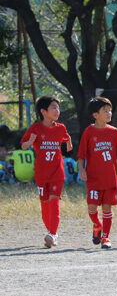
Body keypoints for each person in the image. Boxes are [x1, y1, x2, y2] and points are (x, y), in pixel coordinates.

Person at [20, 96, 72, 248]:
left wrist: (68, 143)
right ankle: (50, 231)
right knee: (45, 203)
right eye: (53, 108)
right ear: (43, 111)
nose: (57, 111)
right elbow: (23, 145)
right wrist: (29, 142)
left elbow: (67, 143)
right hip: (42, 173)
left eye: (58, 108)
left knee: (54, 200)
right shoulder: (35, 128)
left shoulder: (61, 128)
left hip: (57, 172)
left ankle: (53, 234)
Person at [78, 97, 117, 249]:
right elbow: (81, 155)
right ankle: (97, 226)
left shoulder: (114, 132)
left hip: (110, 178)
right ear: (95, 115)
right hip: (93, 178)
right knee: (92, 207)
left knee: (107, 208)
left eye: (110, 110)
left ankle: (105, 237)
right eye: (105, 111)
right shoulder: (88, 132)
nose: (109, 113)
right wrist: (82, 169)